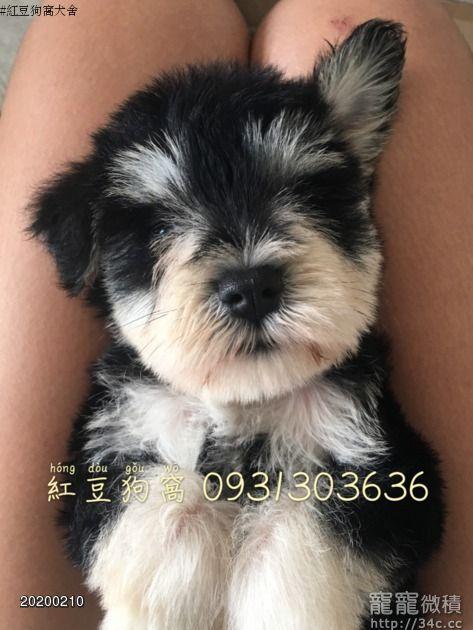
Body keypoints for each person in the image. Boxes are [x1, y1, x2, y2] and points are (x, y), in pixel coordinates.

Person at [0, 1, 471, 627]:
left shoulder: (355, 417)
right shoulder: (123, 420)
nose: (248, 283)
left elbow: (411, 518)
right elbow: (85, 520)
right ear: (94, 264)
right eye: (163, 231)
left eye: (306, 198)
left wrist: (299, 561)